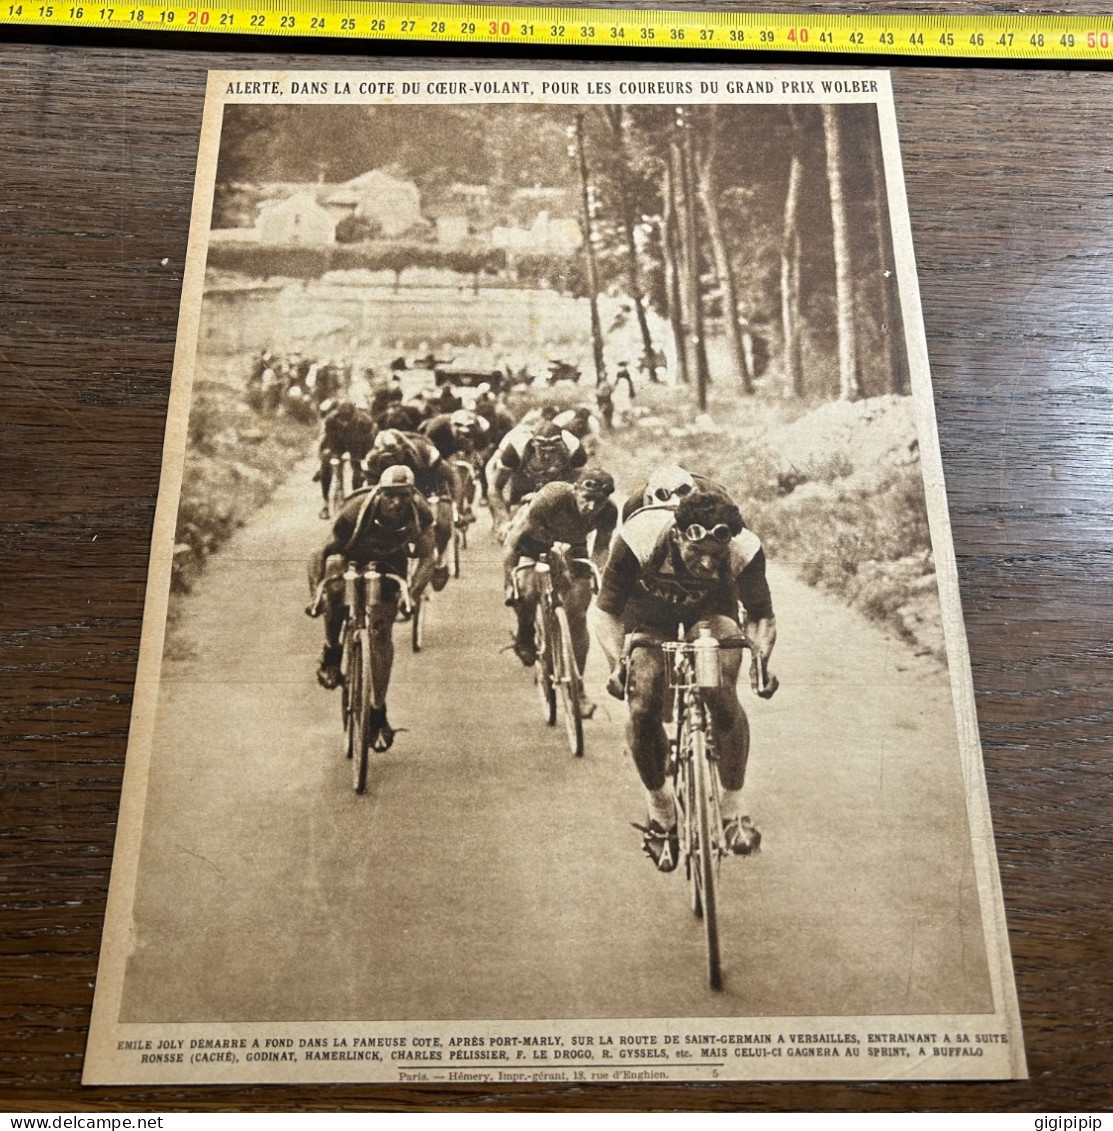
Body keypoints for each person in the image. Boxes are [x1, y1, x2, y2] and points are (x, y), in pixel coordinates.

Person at [589, 487, 778, 873]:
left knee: (720, 691)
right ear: (677, 535)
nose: (708, 565)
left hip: (711, 613)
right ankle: (661, 815)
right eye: (697, 553)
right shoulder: (640, 536)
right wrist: (616, 663)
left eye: (716, 556)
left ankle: (732, 812)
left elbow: (760, 615)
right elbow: (606, 612)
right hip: (647, 617)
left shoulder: (744, 548)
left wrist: (761, 659)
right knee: (643, 704)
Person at [305, 465, 437, 751]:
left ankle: (378, 710)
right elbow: (320, 553)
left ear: (412, 495)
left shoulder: (420, 513)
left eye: (403, 496)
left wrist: (411, 594)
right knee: (336, 586)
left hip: (390, 564)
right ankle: (332, 651)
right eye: (390, 496)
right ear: (380, 493)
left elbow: (428, 558)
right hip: (351, 556)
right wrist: (317, 593)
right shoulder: (356, 510)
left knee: (381, 633)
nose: (397, 503)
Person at [502, 470, 618, 716]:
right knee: (528, 590)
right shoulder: (552, 496)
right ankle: (525, 634)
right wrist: (510, 580)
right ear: (575, 490)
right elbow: (513, 542)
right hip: (535, 542)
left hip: (573, 548)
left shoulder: (609, 511)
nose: (590, 506)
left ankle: (578, 689)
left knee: (578, 614)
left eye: (598, 502)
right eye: (586, 498)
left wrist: (596, 573)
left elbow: (601, 548)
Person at [362, 429, 455, 591]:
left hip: (427, 487)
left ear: (404, 449)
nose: (391, 461)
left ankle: (439, 559)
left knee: (443, 523)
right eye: (386, 458)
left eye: (395, 456)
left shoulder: (423, 451)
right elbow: (367, 491)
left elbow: (450, 476)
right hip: (390, 492)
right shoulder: (372, 459)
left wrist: (455, 505)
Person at [486, 419, 587, 542]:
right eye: (542, 451)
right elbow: (494, 488)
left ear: (561, 446)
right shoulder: (515, 448)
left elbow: (581, 487)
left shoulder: (575, 450)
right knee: (513, 539)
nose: (547, 457)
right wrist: (504, 521)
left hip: (560, 487)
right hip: (524, 488)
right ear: (533, 445)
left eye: (553, 451)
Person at [420, 409, 489, 523]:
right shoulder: (437, 426)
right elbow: (426, 448)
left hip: (457, 448)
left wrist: (475, 462)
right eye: (459, 431)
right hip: (438, 447)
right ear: (452, 425)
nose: (462, 435)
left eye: (466, 433)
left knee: (467, 470)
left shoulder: (476, 428)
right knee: (442, 473)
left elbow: (479, 448)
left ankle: (463, 506)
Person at [315, 400, 376, 519]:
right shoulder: (331, 420)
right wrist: (332, 453)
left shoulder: (364, 422)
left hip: (357, 446)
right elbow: (329, 440)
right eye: (341, 419)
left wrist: (359, 460)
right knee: (326, 465)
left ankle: (358, 501)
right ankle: (326, 503)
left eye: (347, 419)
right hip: (338, 445)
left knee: (359, 472)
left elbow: (366, 444)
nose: (344, 422)